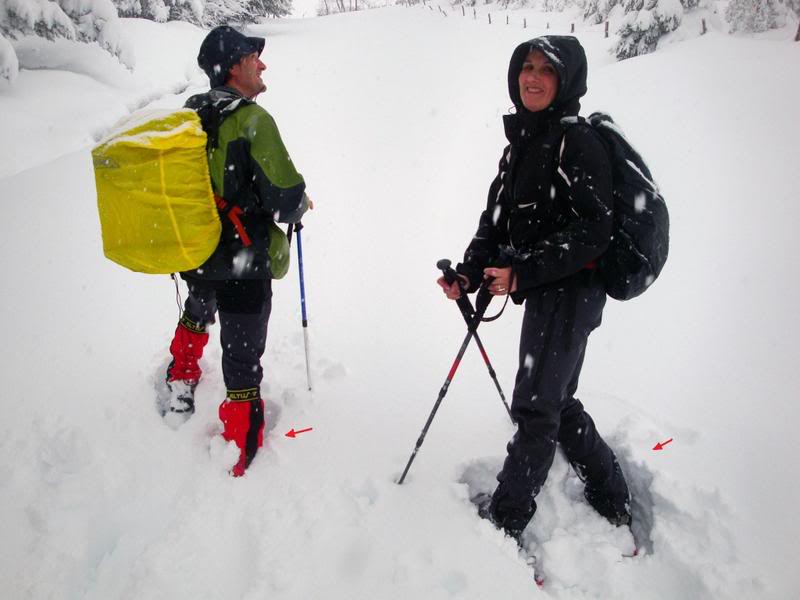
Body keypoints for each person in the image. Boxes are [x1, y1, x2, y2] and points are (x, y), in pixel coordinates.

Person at [438, 36, 631, 539]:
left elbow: (594, 232)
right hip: (549, 291)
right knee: (555, 398)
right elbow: (497, 220)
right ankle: (611, 490)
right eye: (527, 66)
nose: (533, 77)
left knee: (536, 407)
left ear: (566, 81)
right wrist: (468, 271)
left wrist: (522, 273)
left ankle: (506, 517)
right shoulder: (523, 141)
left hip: (574, 292)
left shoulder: (576, 142)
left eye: (547, 69)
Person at [164, 26, 310, 477]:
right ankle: (239, 449)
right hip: (244, 259)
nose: (262, 64)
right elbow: (285, 196)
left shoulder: (190, 113)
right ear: (233, 66)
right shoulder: (253, 120)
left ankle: (181, 375)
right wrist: (301, 201)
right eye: (253, 57)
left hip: (198, 246)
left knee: (199, 307)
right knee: (242, 353)